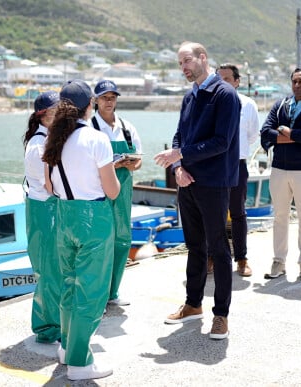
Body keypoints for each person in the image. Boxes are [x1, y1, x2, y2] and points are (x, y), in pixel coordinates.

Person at [153, 42, 240, 340]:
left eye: (187, 60)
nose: (184, 67)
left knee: (218, 248)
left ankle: (221, 315)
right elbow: (180, 135)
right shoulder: (190, 97)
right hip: (187, 181)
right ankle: (193, 305)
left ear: (203, 58)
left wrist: (180, 157)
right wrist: (178, 168)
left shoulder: (225, 95)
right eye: (180, 63)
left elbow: (221, 142)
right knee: (195, 246)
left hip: (214, 183)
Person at [42, 79, 120, 381]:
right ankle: (79, 362)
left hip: (64, 217)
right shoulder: (95, 138)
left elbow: (49, 186)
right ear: (90, 105)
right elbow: (112, 191)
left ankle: (66, 348)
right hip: (93, 219)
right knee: (91, 292)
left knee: (69, 286)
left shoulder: (54, 138)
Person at [260, 68, 301, 282]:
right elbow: (265, 133)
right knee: (279, 217)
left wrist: (285, 131)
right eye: (294, 82)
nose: (297, 85)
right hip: (279, 169)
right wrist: (291, 137)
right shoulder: (281, 105)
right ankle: (279, 261)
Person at [92, 79, 143, 306]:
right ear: (95, 100)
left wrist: (130, 163)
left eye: (112, 97)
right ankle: (96, 297)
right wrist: (111, 165)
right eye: (104, 97)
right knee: (98, 241)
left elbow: (139, 160)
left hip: (123, 190)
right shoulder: (88, 127)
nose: (109, 101)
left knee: (122, 240)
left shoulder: (127, 128)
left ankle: (112, 293)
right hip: (97, 191)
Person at [215, 63, 260, 277]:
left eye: (226, 79)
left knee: (238, 213)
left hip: (236, 164)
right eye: (218, 79)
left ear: (236, 81)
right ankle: (212, 257)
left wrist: (238, 151)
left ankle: (241, 259)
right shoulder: (211, 103)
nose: (222, 83)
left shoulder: (248, 104)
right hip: (214, 165)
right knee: (214, 214)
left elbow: (252, 135)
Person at [23, 90, 61, 344]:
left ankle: (53, 322)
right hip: (43, 210)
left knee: (52, 269)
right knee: (47, 270)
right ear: (45, 115)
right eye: (58, 111)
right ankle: (47, 328)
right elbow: (49, 185)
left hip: (45, 209)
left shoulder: (45, 139)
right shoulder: (39, 145)